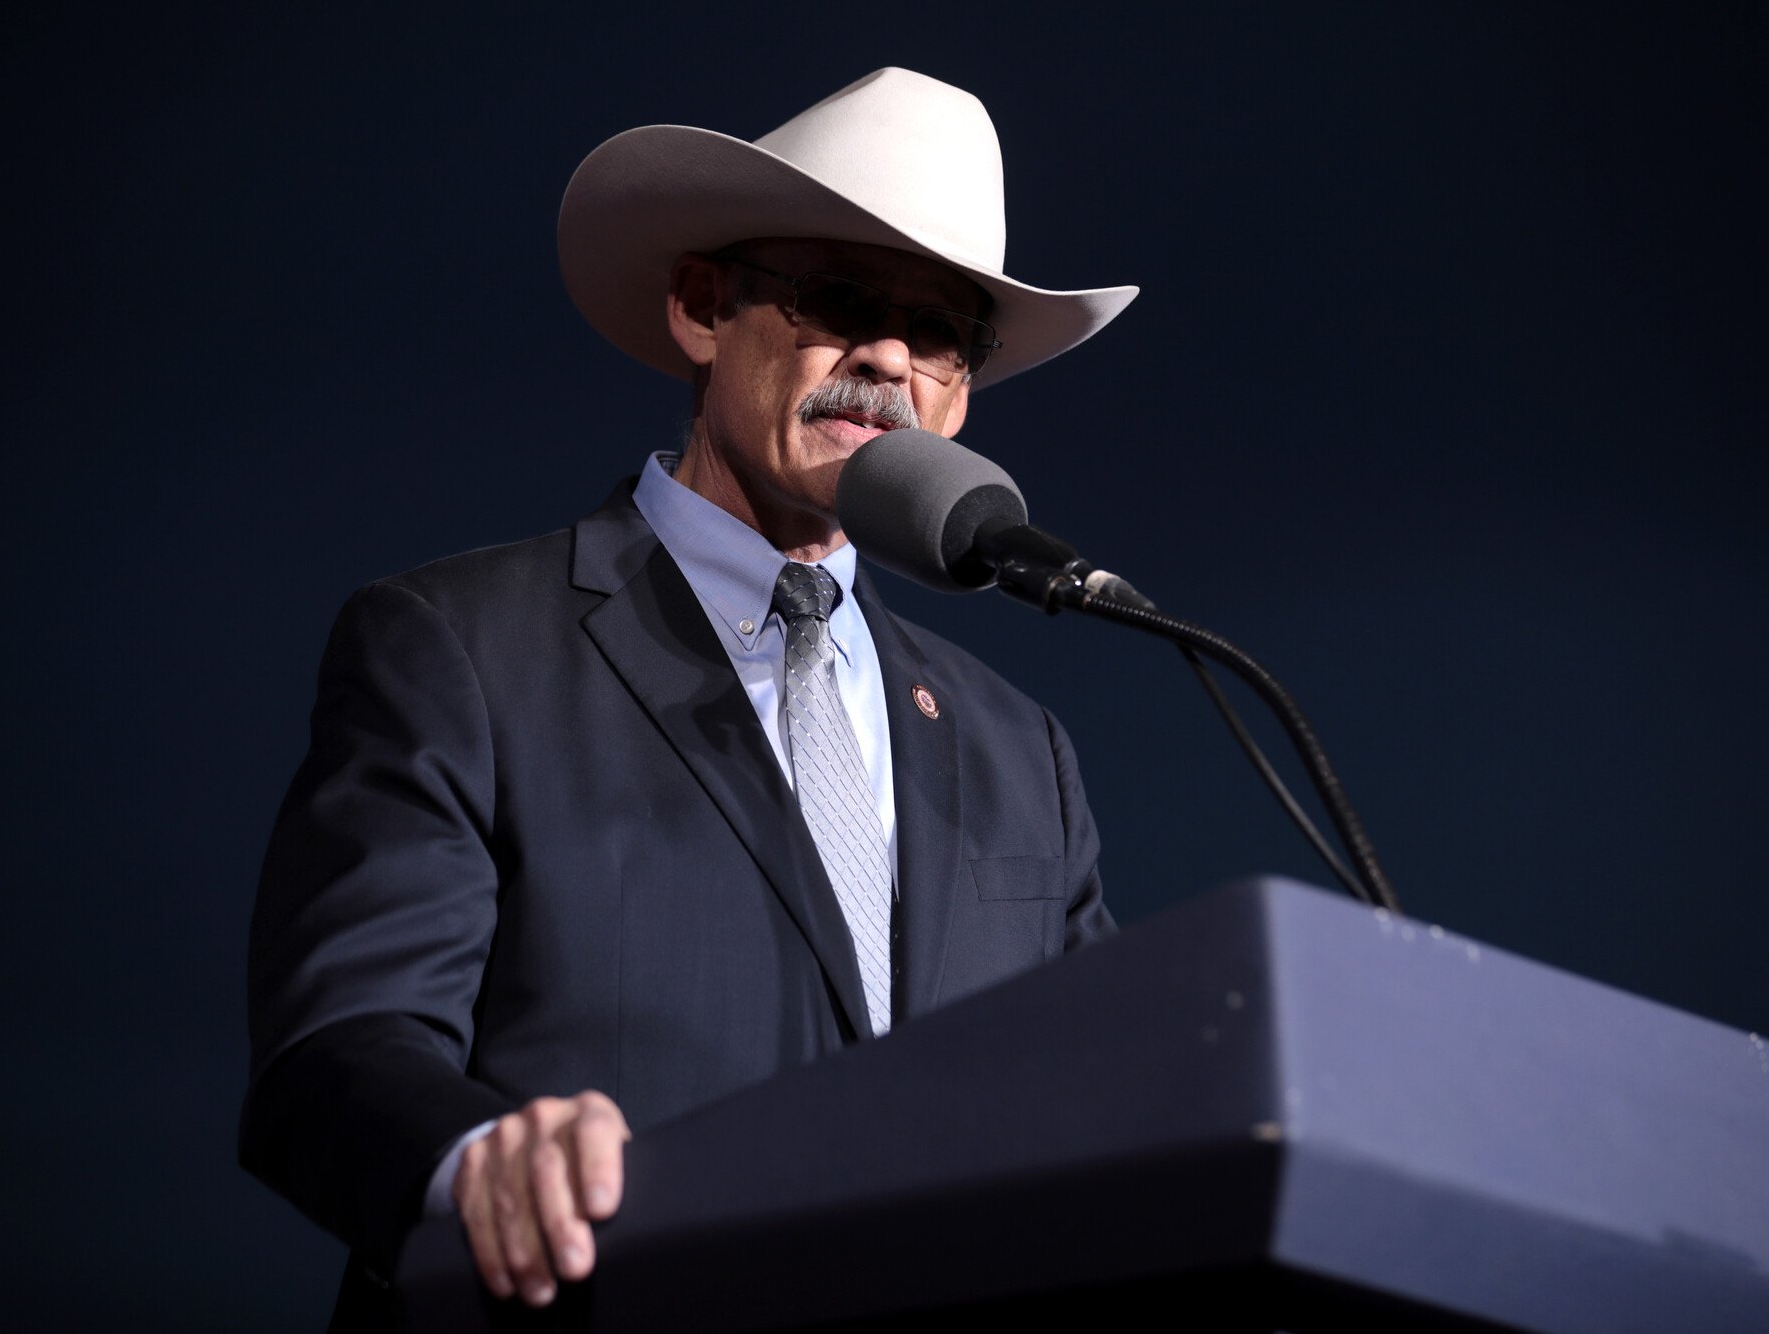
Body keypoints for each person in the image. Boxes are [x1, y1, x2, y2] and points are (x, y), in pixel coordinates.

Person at [240, 66, 1139, 1327]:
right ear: (700, 306)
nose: (885, 355)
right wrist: (474, 1167)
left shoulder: (1017, 751)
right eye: (838, 299)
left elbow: (1108, 1119)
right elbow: (339, 1050)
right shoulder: (458, 648)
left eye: (937, 332)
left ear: (960, 391)